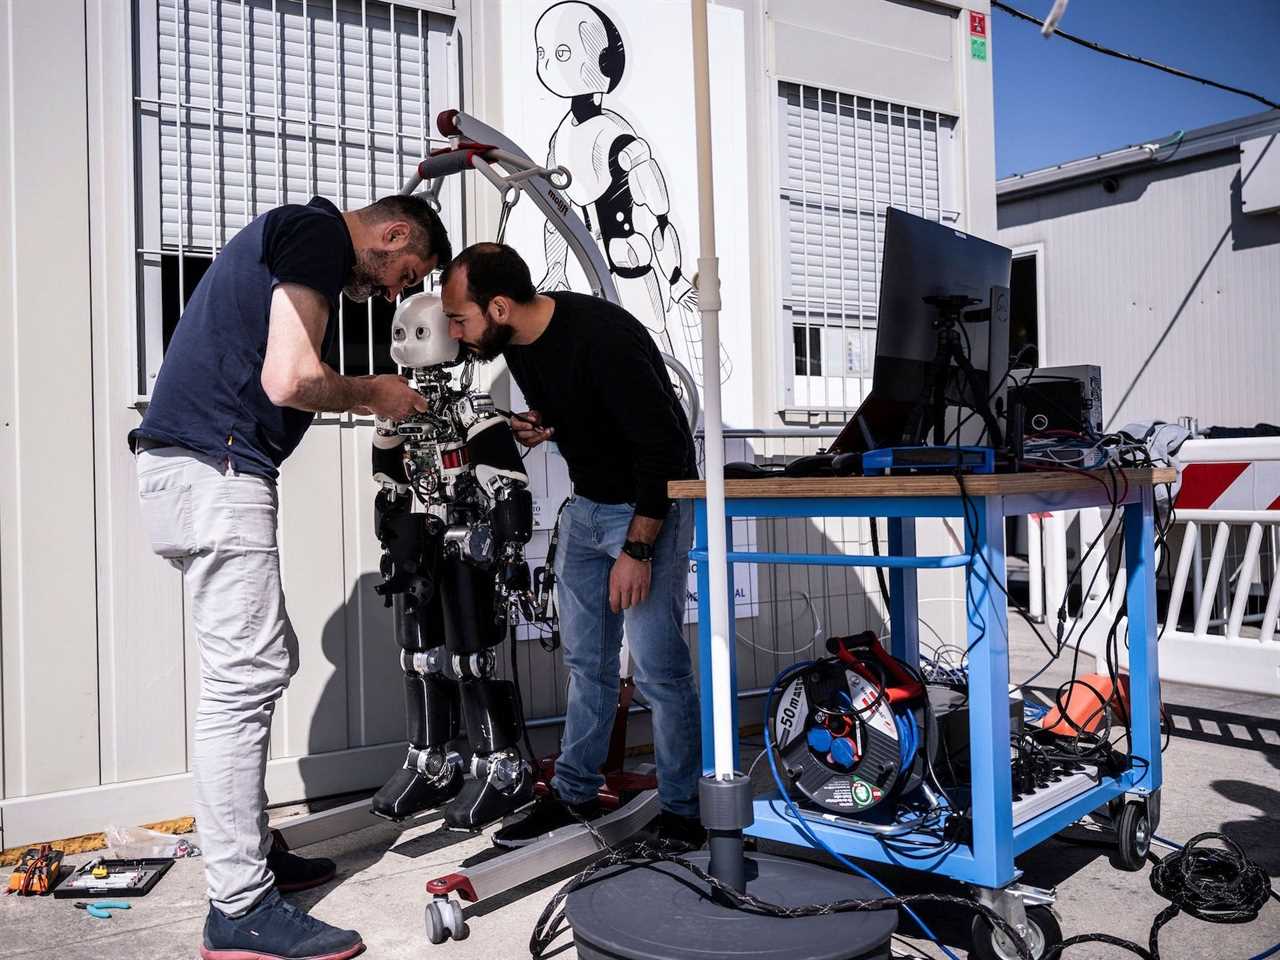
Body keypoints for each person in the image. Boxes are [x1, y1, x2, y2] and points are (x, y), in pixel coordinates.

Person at [130, 194, 451, 960]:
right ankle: (238, 907)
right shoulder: (315, 235)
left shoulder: (292, 240)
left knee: (265, 662)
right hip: (218, 466)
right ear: (393, 232)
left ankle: (252, 852)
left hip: (202, 466)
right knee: (245, 680)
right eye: (409, 272)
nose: (400, 292)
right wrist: (378, 392)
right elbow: (291, 378)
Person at [439, 242, 705, 851]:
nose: (456, 332)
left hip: (644, 512)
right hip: (586, 512)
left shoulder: (605, 339)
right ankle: (575, 791)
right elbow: (589, 413)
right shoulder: (521, 348)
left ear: (499, 306)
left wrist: (637, 552)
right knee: (588, 666)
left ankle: (686, 815)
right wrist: (547, 424)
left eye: (461, 318)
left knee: (661, 672)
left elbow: (667, 454)